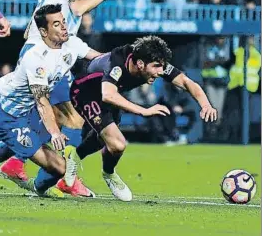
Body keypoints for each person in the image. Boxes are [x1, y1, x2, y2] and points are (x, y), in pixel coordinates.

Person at [0, 0, 116, 197]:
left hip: (48, 51)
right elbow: (77, 10)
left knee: (42, 122)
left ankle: (3, 164)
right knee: (74, 119)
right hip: (45, 57)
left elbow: (41, 25)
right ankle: (64, 177)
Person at [60, 36, 217, 200]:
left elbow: (185, 81)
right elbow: (108, 95)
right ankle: (108, 174)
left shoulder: (151, 61)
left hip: (110, 93)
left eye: (162, 66)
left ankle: (77, 157)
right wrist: (143, 111)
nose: (160, 72)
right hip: (86, 93)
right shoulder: (117, 64)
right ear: (140, 64)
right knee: (117, 144)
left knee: (105, 141)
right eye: (156, 67)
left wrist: (205, 104)